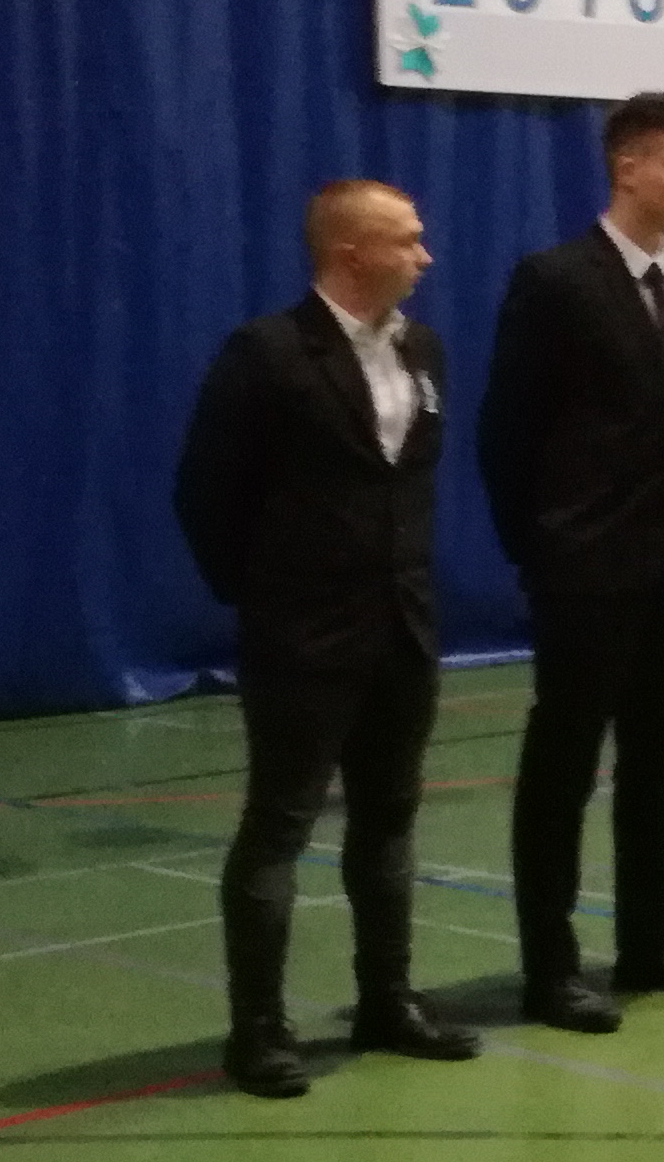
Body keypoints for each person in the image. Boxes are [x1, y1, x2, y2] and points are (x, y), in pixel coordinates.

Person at [173, 180, 482, 1097]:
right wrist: (266, 599)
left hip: (403, 630)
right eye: (408, 241)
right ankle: (259, 1031)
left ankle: (388, 999)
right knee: (279, 827)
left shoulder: (423, 349)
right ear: (352, 253)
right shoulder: (268, 354)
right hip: (301, 637)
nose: (425, 257)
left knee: (389, 822)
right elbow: (204, 493)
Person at [478, 93, 664, 1031]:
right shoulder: (556, 281)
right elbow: (507, 433)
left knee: (656, 763)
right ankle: (551, 965)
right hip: (587, 568)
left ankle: (653, 939)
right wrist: (544, 549)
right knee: (563, 768)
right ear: (626, 167)